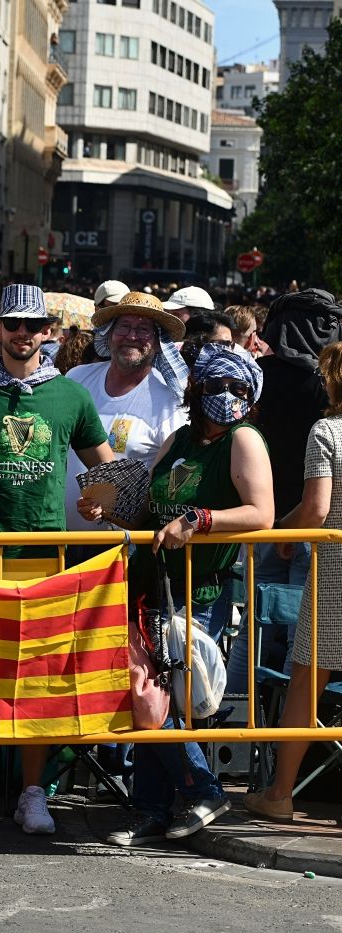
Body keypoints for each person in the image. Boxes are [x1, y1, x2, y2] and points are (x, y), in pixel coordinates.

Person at [0, 283, 113, 836]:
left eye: (34, 326)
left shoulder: (70, 397)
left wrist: (102, 504)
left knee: (38, 676)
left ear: (49, 333)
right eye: (13, 325)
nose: (24, 334)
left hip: (44, 555)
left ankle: (33, 792)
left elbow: (106, 467)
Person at [81, 343, 273, 845]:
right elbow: (148, 512)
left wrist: (200, 520)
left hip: (198, 589)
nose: (225, 395)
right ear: (195, 389)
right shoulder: (179, 438)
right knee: (150, 694)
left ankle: (199, 790)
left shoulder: (244, 439)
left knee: (163, 697)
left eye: (237, 388)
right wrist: (109, 512)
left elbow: (262, 514)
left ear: (251, 395)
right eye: (214, 386)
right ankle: (153, 809)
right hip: (153, 584)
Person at [245, 341, 342, 821]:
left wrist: (284, 531)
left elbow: (317, 510)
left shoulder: (327, 431)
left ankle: (280, 794)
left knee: (306, 681)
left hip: (334, 574)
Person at [247, 289, 341, 687]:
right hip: (310, 524)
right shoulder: (326, 387)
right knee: (304, 643)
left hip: (265, 516)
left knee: (257, 631)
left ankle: (243, 711)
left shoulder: (258, 376)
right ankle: (288, 718)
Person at [64, 292, 189, 534]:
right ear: (109, 334)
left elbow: (171, 479)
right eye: (124, 327)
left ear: (158, 341)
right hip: (61, 542)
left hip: (124, 549)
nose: (132, 336)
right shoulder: (77, 379)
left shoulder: (171, 401)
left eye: (144, 330)